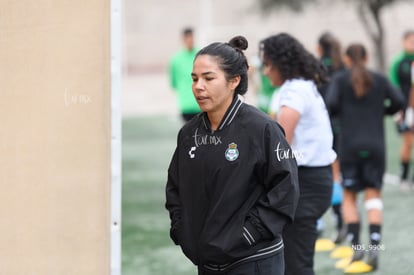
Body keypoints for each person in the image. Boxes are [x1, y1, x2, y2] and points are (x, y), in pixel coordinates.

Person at [165, 35, 299, 275]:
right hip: (207, 263)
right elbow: (175, 188)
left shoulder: (262, 129)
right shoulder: (188, 134)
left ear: (234, 80)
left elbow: (285, 189)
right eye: (194, 79)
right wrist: (182, 230)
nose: (198, 86)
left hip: (254, 261)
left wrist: (248, 234)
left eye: (208, 78)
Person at [260, 33, 337, 275]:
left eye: (267, 65)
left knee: (296, 265)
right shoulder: (302, 86)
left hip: (306, 184)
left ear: (280, 64)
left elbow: (280, 146)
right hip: (314, 180)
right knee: (294, 260)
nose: (265, 72)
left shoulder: (293, 92)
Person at [325, 43, 404, 273]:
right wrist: (382, 111)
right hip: (376, 146)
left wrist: (344, 116)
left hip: (349, 146)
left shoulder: (340, 80)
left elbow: (330, 105)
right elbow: (398, 101)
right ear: (367, 57)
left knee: (350, 197)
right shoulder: (379, 79)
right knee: (373, 196)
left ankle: (357, 248)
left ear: (347, 60)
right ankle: (375, 249)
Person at [316, 32, 347, 247]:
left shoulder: (317, 67)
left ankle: (330, 221)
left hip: (324, 126)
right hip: (344, 126)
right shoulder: (343, 66)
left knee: (327, 171)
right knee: (340, 173)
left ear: (320, 48)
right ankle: (341, 221)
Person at [388, 30, 414, 191]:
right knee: (408, 142)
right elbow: (392, 87)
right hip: (405, 110)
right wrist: (398, 111)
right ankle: (404, 177)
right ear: (403, 42)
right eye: (410, 41)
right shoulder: (398, 62)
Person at [169, 27, 201, 122]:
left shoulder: (201, 55)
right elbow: (173, 83)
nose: (190, 40)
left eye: (191, 37)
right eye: (187, 37)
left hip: (201, 104)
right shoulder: (175, 59)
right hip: (185, 106)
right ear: (183, 39)